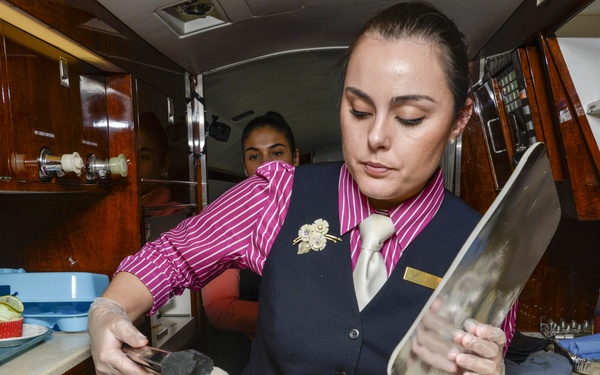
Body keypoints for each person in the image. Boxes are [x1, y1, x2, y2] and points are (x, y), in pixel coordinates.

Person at [88, 2, 514, 374]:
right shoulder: (277, 194)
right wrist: (108, 310)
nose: (376, 138)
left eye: (410, 118)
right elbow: (172, 255)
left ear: (460, 118)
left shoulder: (486, 252)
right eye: (359, 110)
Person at [201, 111, 299, 374]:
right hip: (243, 354)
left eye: (277, 153)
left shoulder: (319, 214)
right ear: (245, 167)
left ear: (296, 158)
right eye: (255, 157)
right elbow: (220, 309)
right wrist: (298, 320)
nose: (267, 166)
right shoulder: (226, 220)